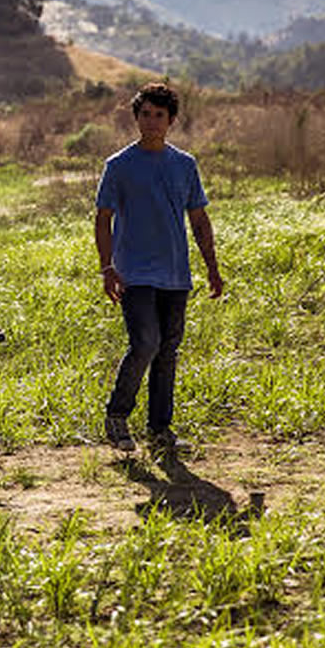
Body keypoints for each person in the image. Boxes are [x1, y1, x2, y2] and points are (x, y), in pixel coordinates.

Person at [94, 82, 223, 456]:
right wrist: (107, 267)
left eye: (159, 116)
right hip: (134, 272)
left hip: (176, 273)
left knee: (168, 350)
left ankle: (159, 430)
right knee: (145, 343)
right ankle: (117, 417)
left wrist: (212, 267)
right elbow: (103, 219)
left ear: (171, 121)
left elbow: (199, 219)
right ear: (136, 117)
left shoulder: (185, 165)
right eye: (145, 114)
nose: (151, 122)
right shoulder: (118, 166)